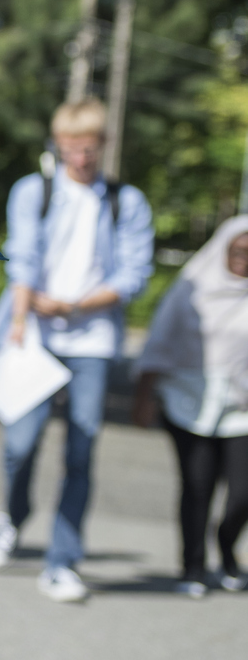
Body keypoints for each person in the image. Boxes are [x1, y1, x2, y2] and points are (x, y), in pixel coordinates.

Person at [0, 99, 154, 602]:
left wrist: (76, 306)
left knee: (82, 448)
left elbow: (134, 274)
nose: (80, 156)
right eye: (71, 147)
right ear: (58, 145)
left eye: (89, 147)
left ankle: (62, 561)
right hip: (32, 334)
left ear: (103, 145)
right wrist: (20, 316)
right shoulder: (36, 190)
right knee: (20, 443)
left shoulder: (127, 201)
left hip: (92, 342)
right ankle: (11, 516)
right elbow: (24, 257)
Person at [131, 217, 248, 596]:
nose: (244, 259)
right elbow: (160, 340)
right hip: (188, 400)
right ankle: (193, 567)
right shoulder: (192, 287)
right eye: (238, 251)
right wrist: (144, 397)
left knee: (241, 496)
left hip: (242, 409)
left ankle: (228, 547)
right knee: (197, 487)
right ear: (223, 250)